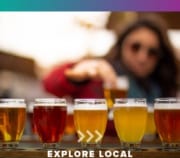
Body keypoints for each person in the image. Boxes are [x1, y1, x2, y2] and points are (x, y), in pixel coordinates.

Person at [43, 15, 179, 104]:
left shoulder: (164, 90)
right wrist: (79, 73)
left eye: (152, 52)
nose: (142, 57)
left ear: (161, 57)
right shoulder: (97, 76)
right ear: (121, 45)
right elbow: (49, 84)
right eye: (135, 47)